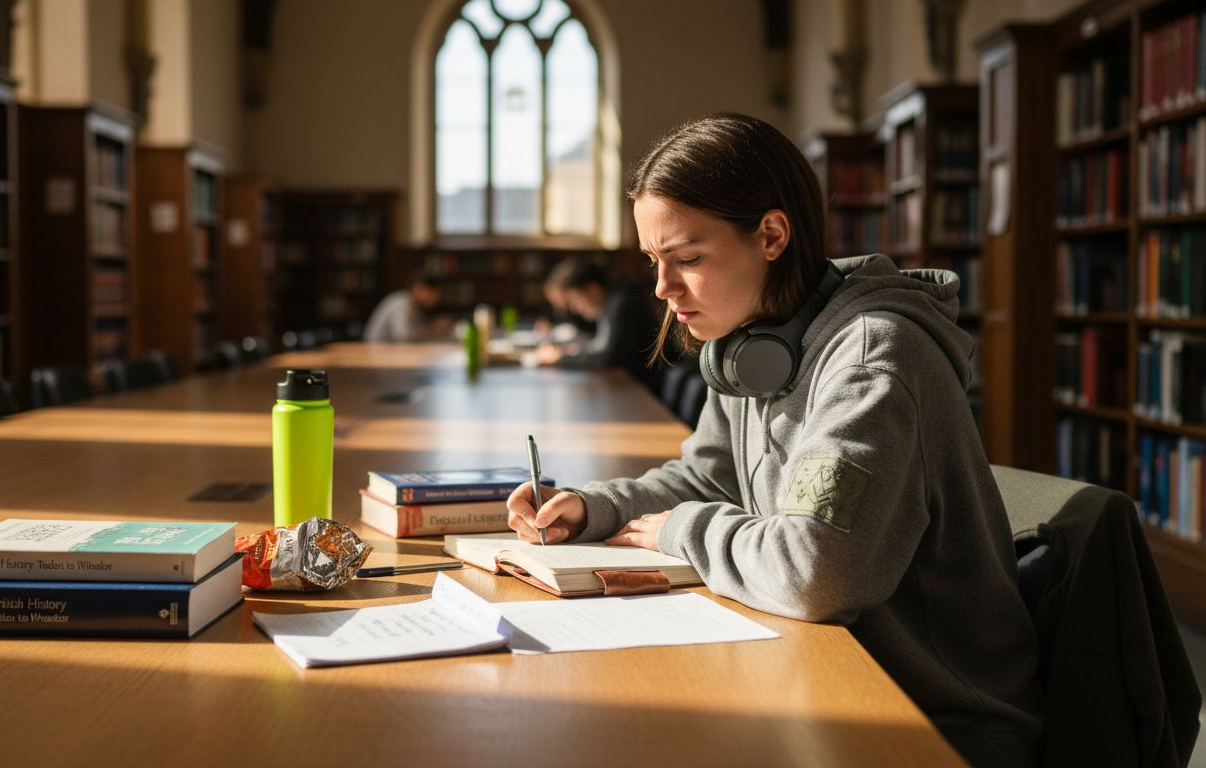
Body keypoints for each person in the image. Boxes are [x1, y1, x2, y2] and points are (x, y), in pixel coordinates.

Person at [506, 113, 1042, 767]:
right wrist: (598, 507)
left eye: (688, 259)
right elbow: (706, 479)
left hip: (934, 719)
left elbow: (816, 571)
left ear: (771, 234)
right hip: (820, 671)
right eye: (653, 261)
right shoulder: (754, 342)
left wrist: (679, 529)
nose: (662, 288)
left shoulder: (872, 355)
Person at [536, 258, 662, 389]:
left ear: (592, 289)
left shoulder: (622, 305)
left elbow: (609, 358)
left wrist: (560, 358)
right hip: (632, 386)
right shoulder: (611, 306)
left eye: (575, 300)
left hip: (646, 391)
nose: (574, 309)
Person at [363, 274, 442, 342]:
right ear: (421, 288)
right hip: (376, 351)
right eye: (432, 294)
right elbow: (402, 336)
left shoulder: (414, 306)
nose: (435, 299)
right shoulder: (402, 303)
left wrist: (433, 329)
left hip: (387, 350)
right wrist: (433, 331)